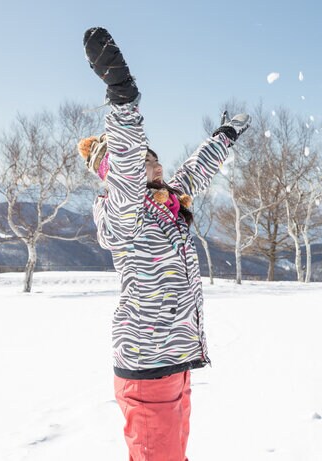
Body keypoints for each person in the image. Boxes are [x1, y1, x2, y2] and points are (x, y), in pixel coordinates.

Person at [79, 27, 250, 460]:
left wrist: (225, 135)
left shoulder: (167, 201)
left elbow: (197, 170)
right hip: (148, 364)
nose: (149, 160)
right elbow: (126, 169)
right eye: (138, 159)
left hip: (172, 359)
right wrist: (123, 101)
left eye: (150, 155)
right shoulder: (125, 210)